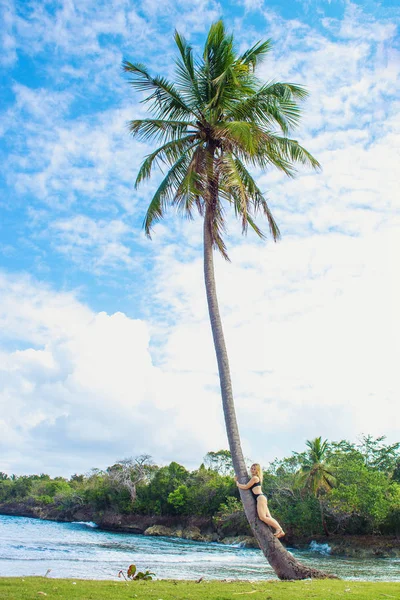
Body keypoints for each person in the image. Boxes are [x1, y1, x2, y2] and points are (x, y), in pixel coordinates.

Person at [235, 463, 285, 538]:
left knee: (262, 517)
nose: (252, 470)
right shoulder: (255, 478)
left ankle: (279, 529)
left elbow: (246, 487)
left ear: (257, 471)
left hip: (260, 498)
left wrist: (237, 483)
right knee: (268, 517)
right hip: (261, 498)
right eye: (252, 468)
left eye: (254, 469)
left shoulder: (255, 478)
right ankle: (281, 531)